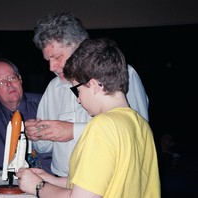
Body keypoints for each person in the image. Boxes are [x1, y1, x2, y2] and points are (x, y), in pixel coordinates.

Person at [17, 38, 160, 198]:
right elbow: (104, 182)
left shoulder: (101, 126)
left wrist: (38, 186)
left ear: (93, 86)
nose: (78, 99)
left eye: (77, 90)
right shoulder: (139, 124)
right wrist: (51, 180)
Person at [25, 12, 149, 177]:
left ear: (80, 46)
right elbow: (45, 148)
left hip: (110, 183)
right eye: (48, 60)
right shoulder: (54, 87)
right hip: (63, 182)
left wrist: (73, 131)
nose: (51, 67)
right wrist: (37, 134)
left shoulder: (121, 73)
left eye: (57, 57)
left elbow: (138, 133)